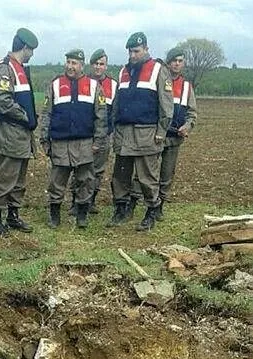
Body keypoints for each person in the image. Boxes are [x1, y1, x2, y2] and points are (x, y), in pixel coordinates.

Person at [108, 32, 173, 231]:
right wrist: (113, 128)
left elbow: (167, 106)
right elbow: (117, 104)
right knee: (120, 176)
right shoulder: (123, 72)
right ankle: (121, 209)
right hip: (123, 133)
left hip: (147, 133)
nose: (132, 55)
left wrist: (161, 132)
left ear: (146, 49)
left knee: (147, 177)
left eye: (136, 51)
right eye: (130, 51)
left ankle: (151, 212)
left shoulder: (158, 70)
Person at [40, 49, 99, 229]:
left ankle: (82, 215)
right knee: (57, 182)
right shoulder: (55, 84)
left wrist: (98, 142)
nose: (70, 66)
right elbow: (46, 114)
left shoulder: (94, 86)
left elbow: (101, 117)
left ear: (82, 65)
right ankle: (54, 216)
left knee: (85, 180)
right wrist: (44, 138)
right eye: (68, 62)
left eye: (74, 63)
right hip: (60, 142)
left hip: (85, 142)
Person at [0, 28, 39, 237]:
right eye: (32, 50)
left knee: (19, 178)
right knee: (6, 176)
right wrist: (25, 116)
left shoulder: (20, 68)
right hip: (10, 132)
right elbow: (2, 101)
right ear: (24, 48)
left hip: (21, 134)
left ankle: (13, 215)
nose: (32, 54)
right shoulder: (5, 68)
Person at [69, 49, 117, 217]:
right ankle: (76, 202)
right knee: (81, 169)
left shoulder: (113, 85)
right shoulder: (84, 82)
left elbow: (115, 111)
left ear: (106, 66)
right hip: (86, 136)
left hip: (105, 136)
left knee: (98, 170)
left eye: (101, 64)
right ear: (90, 65)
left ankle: (91, 201)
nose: (98, 67)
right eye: (95, 63)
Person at [155, 46, 197, 220]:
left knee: (167, 174)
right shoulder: (158, 81)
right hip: (156, 137)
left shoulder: (187, 87)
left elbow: (192, 113)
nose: (177, 64)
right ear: (168, 63)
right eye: (174, 60)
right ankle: (139, 203)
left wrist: (187, 126)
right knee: (144, 172)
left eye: (180, 61)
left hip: (174, 139)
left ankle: (160, 206)